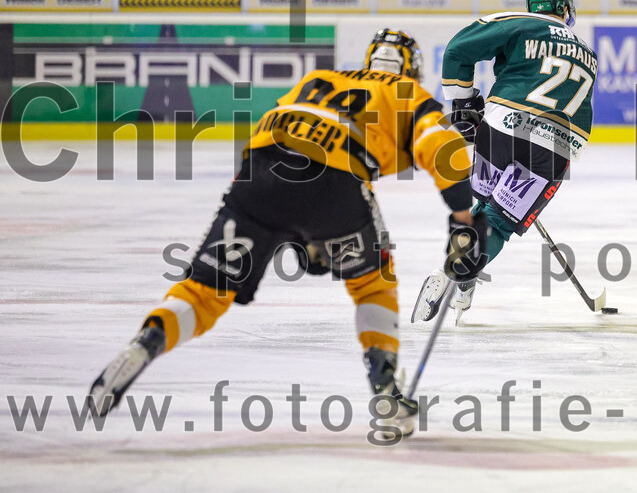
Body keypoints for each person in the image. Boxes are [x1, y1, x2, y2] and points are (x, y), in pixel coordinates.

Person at [88, 29, 475, 438]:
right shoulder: (407, 92)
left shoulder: (319, 79)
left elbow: (274, 131)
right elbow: (442, 146)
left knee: (204, 291)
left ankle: (148, 340)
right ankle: (385, 389)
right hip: (336, 179)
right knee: (372, 285)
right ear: (411, 68)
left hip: (258, 173)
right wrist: (464, 216)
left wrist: (284, 224)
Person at [412, 0, 598, 324]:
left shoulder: (517, 22)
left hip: (501, 127)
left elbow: (457, 51)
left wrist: (463, 104)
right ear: (565, 7)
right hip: (555, 143)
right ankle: (453, 275)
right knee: (497, 222)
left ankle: (464, 279)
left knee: (481, 207)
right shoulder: (588, 52)